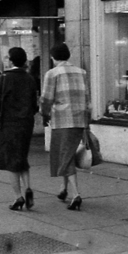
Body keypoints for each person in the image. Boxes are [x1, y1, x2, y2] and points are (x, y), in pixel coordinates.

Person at [0, 47, 38, 211]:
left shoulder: (4, 78)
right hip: (26, 124)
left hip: (10, 124)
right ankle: (28, 188)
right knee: (22, 157)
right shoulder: (30, 79)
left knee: (11, 161)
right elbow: (34, 105)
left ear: (11, 60)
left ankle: (18, 196)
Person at [40, 43, 91, 211]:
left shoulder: (52, 73)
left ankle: (76, 194)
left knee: (64, 156)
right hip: (79, 120)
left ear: (53, 57)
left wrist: (44, 114)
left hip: (62, 120)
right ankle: (64, 189)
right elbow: (87, 98)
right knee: (66, 154)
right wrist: (86, 123)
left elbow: (46, 98)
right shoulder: (81, 72)